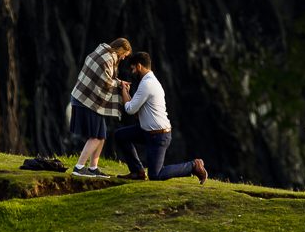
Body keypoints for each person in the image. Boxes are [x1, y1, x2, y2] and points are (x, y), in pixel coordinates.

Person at [113, 52, 207, 184]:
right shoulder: (149, 81)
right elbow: (134, 109)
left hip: (158, 136)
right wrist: (126, 93)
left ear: (139, 66)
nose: (132, 72)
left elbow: (129, 109)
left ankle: (193, 166)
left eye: (133, 69)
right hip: (147, 131)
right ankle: (137, 171)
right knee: (120, 135)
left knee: (156, 175)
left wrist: (123, 90)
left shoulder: (147, 84)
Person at [69, 37, 132, 178]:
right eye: (124, 55)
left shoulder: (101, 51)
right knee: (96, 137)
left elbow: (105, 77)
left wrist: (120, 82)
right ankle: (79, 167)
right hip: (85, 100)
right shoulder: (107, 58)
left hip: (84, 97)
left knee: (101, 136)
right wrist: (120, 84)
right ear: (121, 50)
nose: (123, 59)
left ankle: (93, 168)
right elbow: (106, 81)